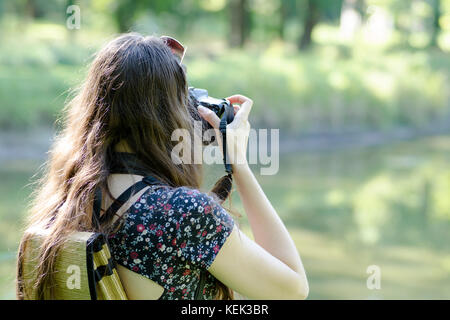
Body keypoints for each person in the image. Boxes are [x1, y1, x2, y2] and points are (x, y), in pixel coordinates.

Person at [16, 33, 309, 300]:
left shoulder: (65, 205)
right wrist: (239, 164)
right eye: (184, 101)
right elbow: (293, 289)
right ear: (170, 116)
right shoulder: (181, 215)